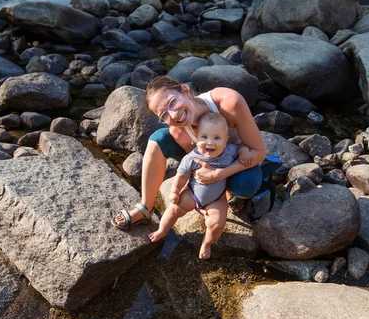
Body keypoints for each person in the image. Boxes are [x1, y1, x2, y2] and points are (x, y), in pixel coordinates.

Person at [111, 75, 267, 233]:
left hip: (238, 158)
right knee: (157, 139)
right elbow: (194, 166)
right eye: (164, 115)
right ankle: (145, 207)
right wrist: (200, 197)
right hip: (209, 160)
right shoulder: (179, 131)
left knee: (246, 185)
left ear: (185, 90)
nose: (173, 115)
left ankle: (231, 191)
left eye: (172, 102)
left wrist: (218, 175)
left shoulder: (228, 102)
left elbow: (259, 152)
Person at [149, 112, 240, 259]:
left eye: (217, 138)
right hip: (193, 193)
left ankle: (207, 243)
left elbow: (241, 150)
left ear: (226, 140)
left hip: (216, 198)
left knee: (217, 224)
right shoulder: (191, 158)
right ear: (196, 138)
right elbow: (181, 177)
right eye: (204, 137)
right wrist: (175, 192)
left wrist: (245, 151)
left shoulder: (230, 151)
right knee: (173, 210)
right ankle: (162, 230)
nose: (210, 142)